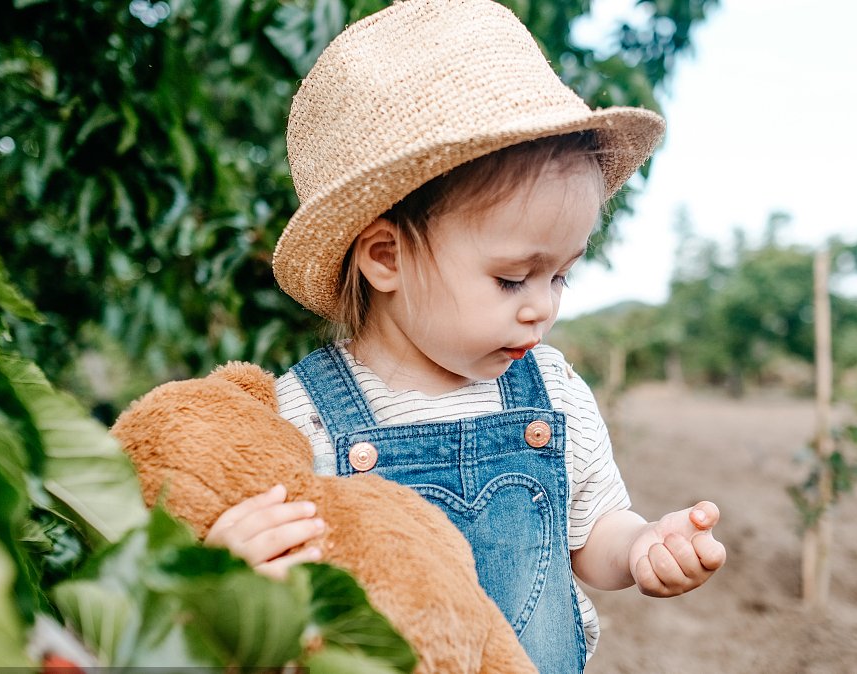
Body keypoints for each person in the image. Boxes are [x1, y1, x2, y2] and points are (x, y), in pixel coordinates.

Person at [205, 0, 726, 670]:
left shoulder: (553, 393)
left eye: (562, 276)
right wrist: (233, 569)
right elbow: (274, 583)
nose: (543, 308)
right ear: (385, 258)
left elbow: (591, 531)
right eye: (513, 279)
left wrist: (643, 546)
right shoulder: (300, 420)